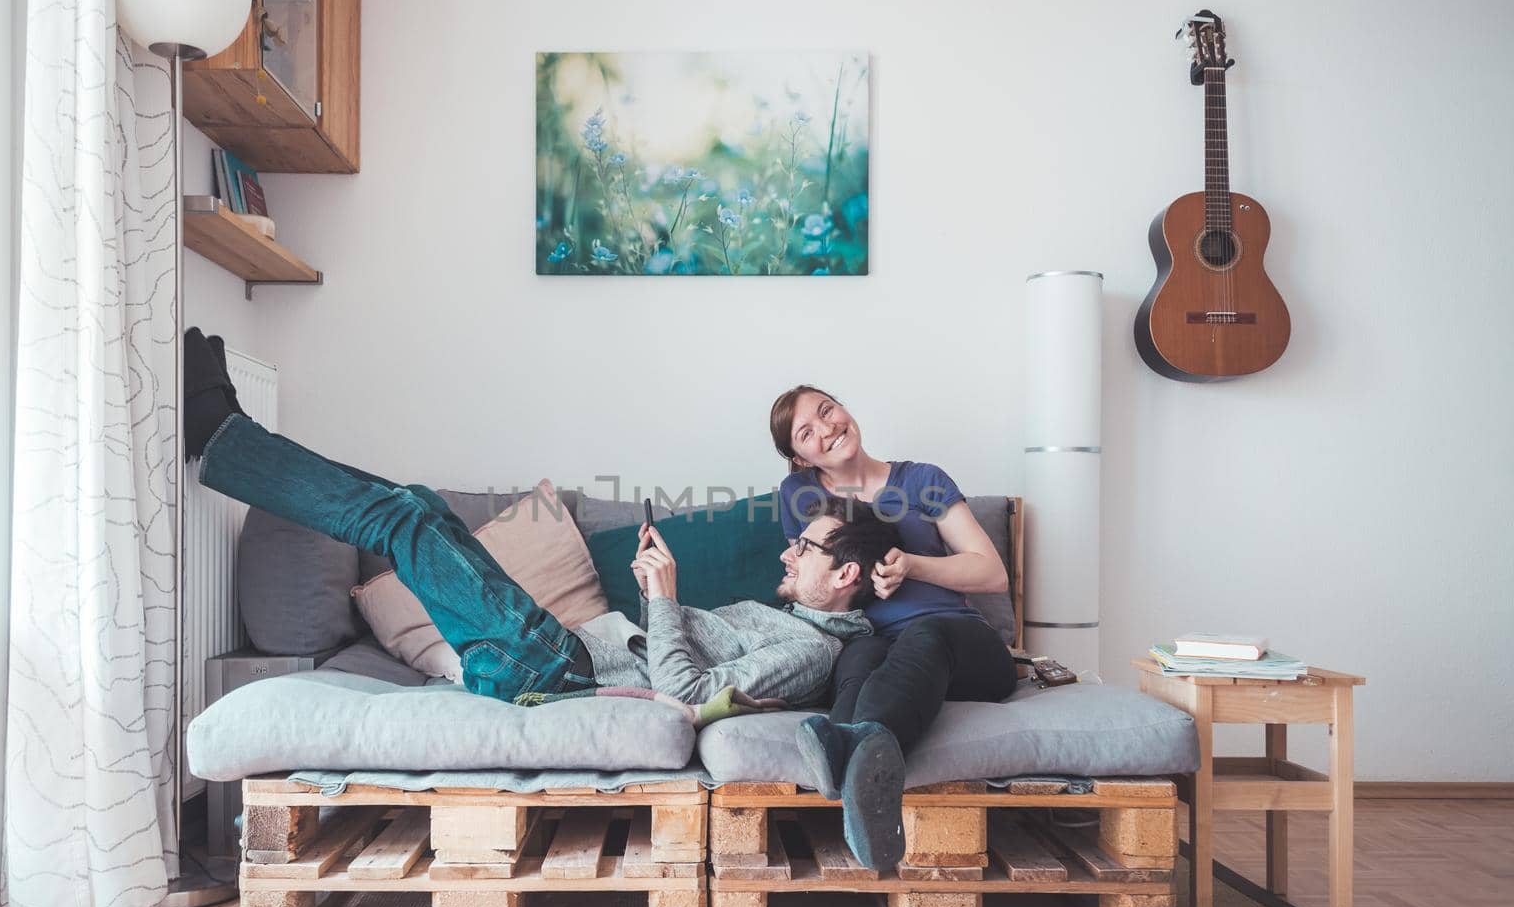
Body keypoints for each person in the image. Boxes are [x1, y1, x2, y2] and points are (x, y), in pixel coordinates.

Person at [183, 331, 903, 777]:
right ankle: (237, 439)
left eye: (804, 549)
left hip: (550, 669)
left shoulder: (809, 651)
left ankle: (224, 436)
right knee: (420, 505)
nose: (787, 554)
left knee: (403, 520)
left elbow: (687, 697)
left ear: (843, 577)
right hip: (550, 645)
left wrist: (661, 597)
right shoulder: (793, 619)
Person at [770, 385, 1019, 870]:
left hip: (960, 642)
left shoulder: (922, 479)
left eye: (827, 410)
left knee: (926, 635)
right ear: (798, 457)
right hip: (874, 643)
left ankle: (862, 746)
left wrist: (913, 566)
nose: (827, 428)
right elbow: (813, 583)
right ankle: (854, 761)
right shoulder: (799, 494)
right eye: (806, 431)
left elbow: (992, 573)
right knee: (858, 654)